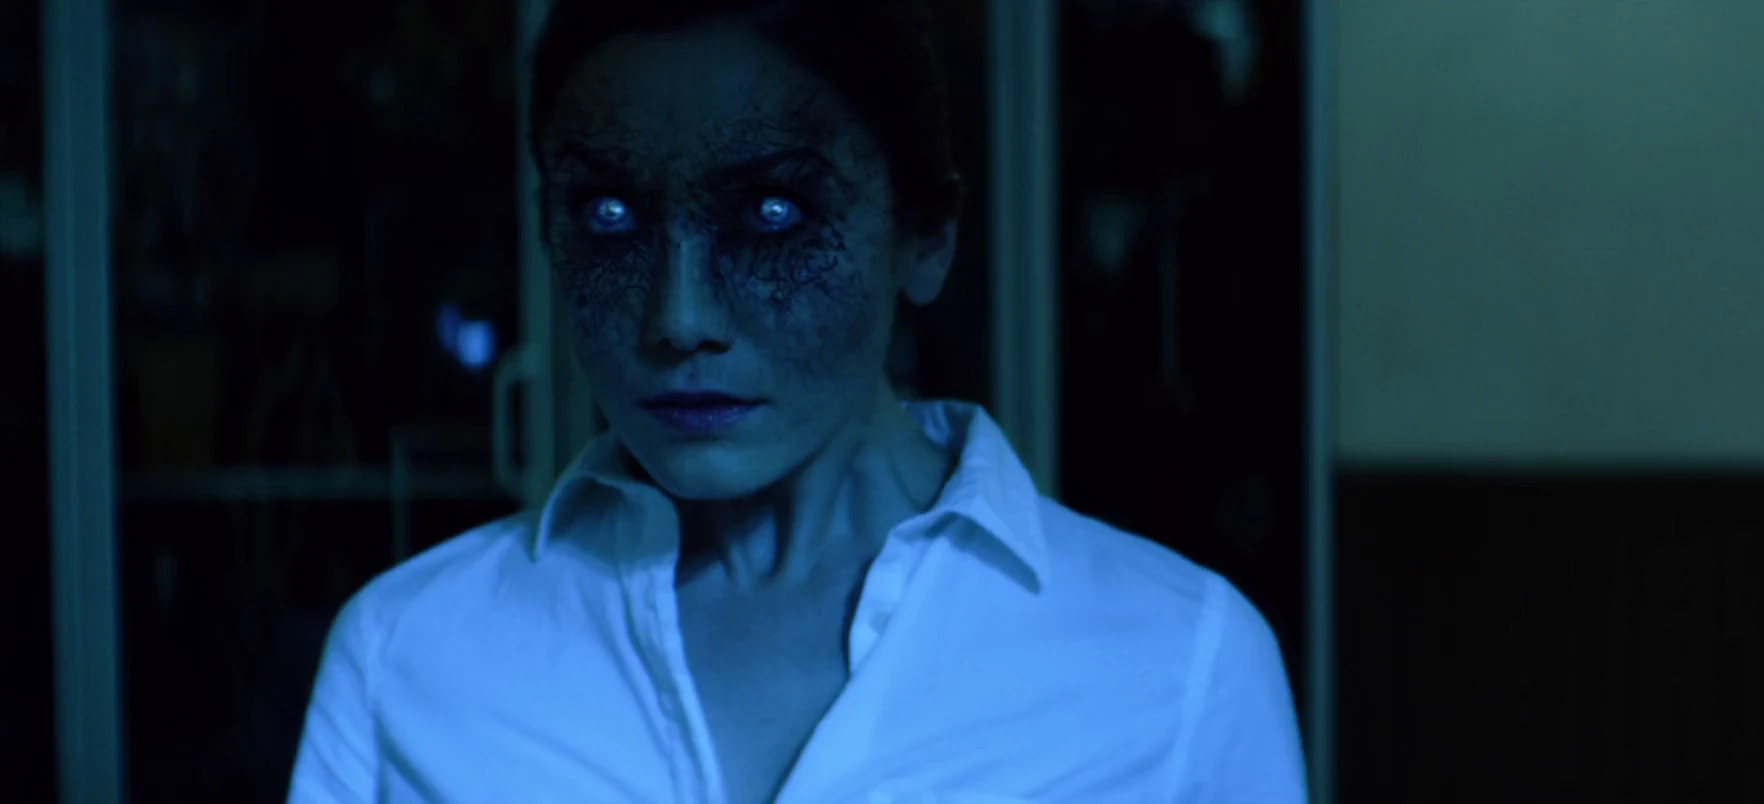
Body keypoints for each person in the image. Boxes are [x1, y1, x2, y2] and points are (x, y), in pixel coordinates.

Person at [288, 1, 1305, 801]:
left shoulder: (1176, 665)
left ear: (925, 236)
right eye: (608, 216)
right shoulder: (408, 660)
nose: (679, 317)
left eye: (773, 214)